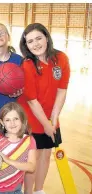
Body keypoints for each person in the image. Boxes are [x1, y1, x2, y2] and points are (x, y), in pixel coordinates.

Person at [17, 23, 70, 194]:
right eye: (30, 41)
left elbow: (62, 91)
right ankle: (28, 192)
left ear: (46, 37)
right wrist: (46, 125)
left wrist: (53, 120)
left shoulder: (61, 58)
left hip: (51, 118)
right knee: (35, 157)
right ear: (26, 46)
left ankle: (39, 190)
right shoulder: (27, 64)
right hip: (32, 118)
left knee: (46, 155)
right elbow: (32, 101)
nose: (36, 44)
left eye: (38, 38)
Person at [0, 102, 37, 194]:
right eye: (7, 120)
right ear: (2, 122)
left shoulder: (29, 141)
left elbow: (31, 167)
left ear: (22, 119)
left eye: (16, 119)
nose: (12, 123)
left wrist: (8, 160)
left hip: (16, 190)